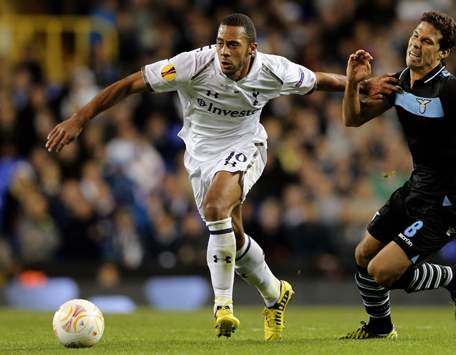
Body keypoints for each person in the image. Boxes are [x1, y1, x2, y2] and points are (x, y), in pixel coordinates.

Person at [45, 13, 397, 340]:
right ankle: (275, 294)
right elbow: (129, 84)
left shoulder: (273, 70)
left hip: (246, 145)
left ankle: (223, 306)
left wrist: (360, 85)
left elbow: (319, 80)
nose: (223, 51)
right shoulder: (193, 64)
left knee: (216, 209)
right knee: (234, 237)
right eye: (220, 43)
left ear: (251, 48)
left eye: (232, 44)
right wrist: (80, 118)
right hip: (199, 154)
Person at [340, 11, 456, 339]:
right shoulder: (398, 84)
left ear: (442, 53)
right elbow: (353, 120)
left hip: (448, 201)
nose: (416, 44)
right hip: (417, 188)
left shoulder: (450, 89)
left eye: (427, 41)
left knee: (381, 271)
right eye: (415, 36)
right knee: (363, 255)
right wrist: (353, 84)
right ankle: (381, 327)